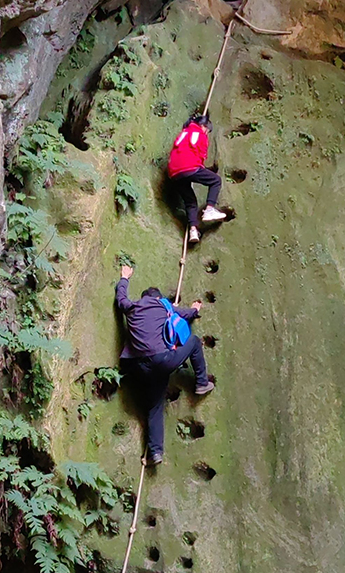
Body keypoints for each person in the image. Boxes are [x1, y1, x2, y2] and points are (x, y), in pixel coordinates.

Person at [116, 265, 215, 465]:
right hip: (162, 361)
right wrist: (195, 310)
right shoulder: (163, 306)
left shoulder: (132, 307)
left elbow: (120, 299)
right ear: (158, 298)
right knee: (194, 342)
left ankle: (155, 453)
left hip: (139, 367)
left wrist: (124, 277)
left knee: (155, 406)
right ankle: (201, 383)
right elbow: (183, 315)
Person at [168, 114, 226, 244]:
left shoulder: (183, 133)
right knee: (215, 180)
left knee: (190, 201)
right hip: (189, 167)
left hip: (174, 173)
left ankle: (193, 230)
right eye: (207, 130)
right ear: (203, 126)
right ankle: (210, 209)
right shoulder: (200, 134)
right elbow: (201, 153)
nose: (207, 133)